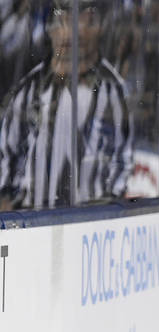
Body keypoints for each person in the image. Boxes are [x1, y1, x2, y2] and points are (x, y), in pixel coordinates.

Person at [0, 0, 132, 210]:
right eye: (60, 24)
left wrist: (104, 210)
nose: (67, 35)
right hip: (34, 224)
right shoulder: (28, 90)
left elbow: (121, 163)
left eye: (74, 25)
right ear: (50, 33)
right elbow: (7, 155)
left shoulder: (111, 90)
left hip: (89, 229)